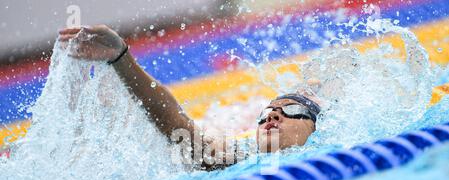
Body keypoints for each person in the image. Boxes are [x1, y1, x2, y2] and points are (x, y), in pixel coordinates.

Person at [58, 25, 322, 170]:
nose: (273, 115)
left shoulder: (326, 149)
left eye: (291, 110)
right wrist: (122, 59)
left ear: (314, 126)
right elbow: (176, 125)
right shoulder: (235, 158)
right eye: (265, 114)